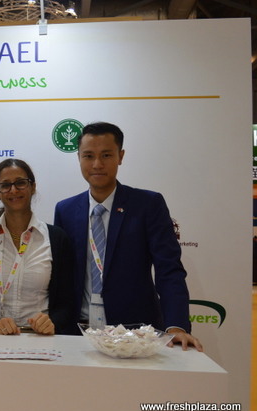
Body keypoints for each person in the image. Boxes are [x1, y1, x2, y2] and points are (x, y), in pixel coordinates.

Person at [54, 122, 203, 350]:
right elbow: (61, 278)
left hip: (136, 334)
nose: (97, 164)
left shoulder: (147, 205)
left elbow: (169, 269)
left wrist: (176, 326)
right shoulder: (65, 210)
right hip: (77, 333)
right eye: (88, 156)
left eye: (106, 155)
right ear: (79, 158)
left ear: (120, 156)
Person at [0, 159, 75, 335]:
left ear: (33, 187)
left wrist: (52, 323)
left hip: (39, 338)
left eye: (20, 183)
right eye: (5, 185)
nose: (13, 190)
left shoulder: (57, 238)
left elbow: (67, 302)